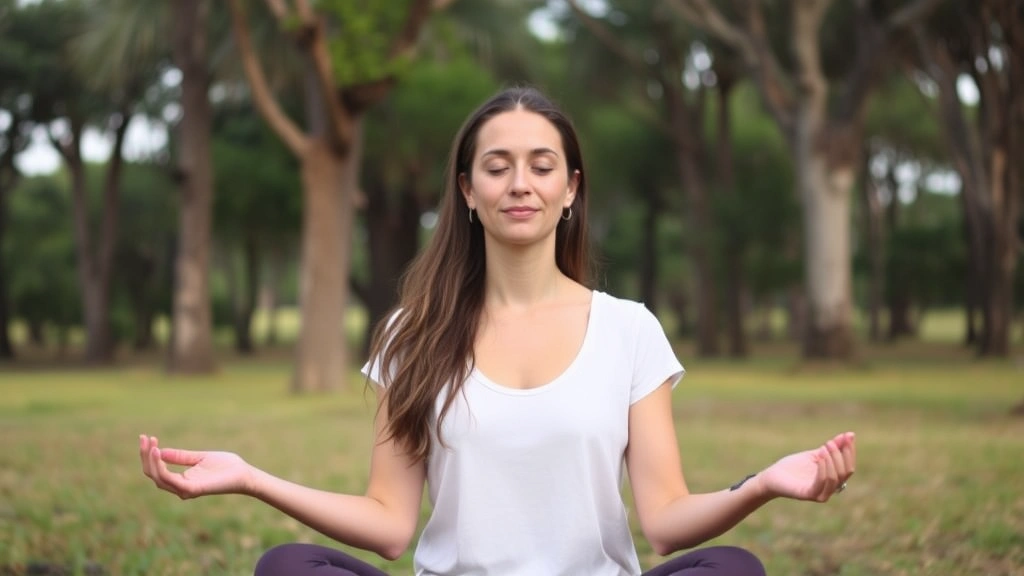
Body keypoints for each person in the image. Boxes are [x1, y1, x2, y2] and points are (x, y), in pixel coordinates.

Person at [139, 86, 857, 576]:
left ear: (570, 190)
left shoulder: (628, 330)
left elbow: (665, 522)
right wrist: (250, 478)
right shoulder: (412, 333)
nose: (521, 183)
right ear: (467, 190)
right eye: (498, 166)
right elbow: (391, 525)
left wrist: (763, 483)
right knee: (287, 567)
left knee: (733, 570)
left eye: (542, 166)